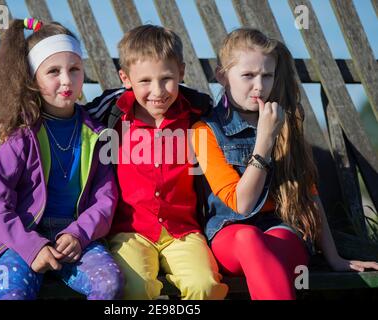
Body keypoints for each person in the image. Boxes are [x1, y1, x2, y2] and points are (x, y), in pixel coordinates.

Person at [191, 28, 378, 300]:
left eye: (267, 75)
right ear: (222, 76)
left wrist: (335, 258)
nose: (259, 86)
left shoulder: (286, 124)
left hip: (282, 230)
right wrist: (264, 141)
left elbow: (309, 194)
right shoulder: (204, 131)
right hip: (229, 234)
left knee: (269, 248)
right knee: (248, 239)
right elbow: (241, 204)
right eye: (248, 76)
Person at [0, 18, 124, 300]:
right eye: (53, 71)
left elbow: (106, 199)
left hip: (74, 239)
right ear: (33, 79)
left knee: (109, 285)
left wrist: (79, 234)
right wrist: (31, 247)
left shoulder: (96, 135)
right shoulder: (22, 137)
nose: (66, 80)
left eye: (74, 69)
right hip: (18, 240)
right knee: (13, 293)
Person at [85, 24, 228, 300]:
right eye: (145, 81)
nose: (157, 90)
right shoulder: (115, 114)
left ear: (182, 73)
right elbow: (69, 120)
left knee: (205, 286)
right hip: (131, 231)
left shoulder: (197, 113)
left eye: (166, 78)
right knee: (134, 288)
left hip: (183, 230)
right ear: (125, 79)